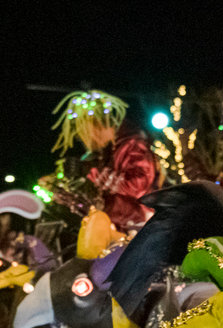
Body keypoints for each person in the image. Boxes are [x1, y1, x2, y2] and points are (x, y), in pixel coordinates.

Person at [53, 90, 161, 230]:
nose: (87, 142)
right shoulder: (107, 151)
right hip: (119, 226)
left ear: (97, 125)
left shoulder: (132, 143)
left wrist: (94, 173)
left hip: (140, 225)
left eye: (86, 134)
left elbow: (139, 183)